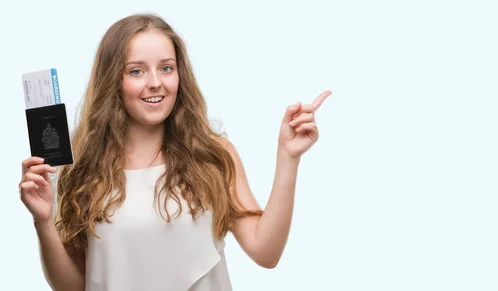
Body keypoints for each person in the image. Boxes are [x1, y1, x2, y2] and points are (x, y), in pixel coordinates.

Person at [19, 13, 331, 291]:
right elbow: (74, 286)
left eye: (166, 68)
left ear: (179, 75)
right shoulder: (83, 168)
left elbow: (266, 252)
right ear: (114, 80)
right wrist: (43, 221)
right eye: (137, 71)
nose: (155, 83)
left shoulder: (212, 155)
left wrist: (288, 158)